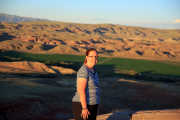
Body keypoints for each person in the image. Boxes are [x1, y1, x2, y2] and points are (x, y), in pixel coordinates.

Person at [72, 48, 100, 120]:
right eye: (91, 56)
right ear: (86, 57)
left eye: (96, 56)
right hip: (83, 105)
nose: (94, 58)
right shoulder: (84, 70)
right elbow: (81, 90)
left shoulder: (94, 71)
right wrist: (84, 107)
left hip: (93, 104)